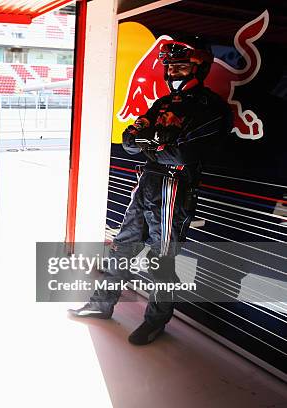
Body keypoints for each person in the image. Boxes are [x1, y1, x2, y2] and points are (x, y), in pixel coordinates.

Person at [69, 37, 232, 345]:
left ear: (200, 67)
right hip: (148, 183)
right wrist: (158, 143)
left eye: (181, 66)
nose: (173, 73)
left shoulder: (212, 109)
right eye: (169, 66)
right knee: (121, 247)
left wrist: (151, 143)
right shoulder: (163, 104)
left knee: (163, 259)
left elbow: (181, 155)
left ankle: (156, 321)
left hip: (175, 188)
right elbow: (129, 140)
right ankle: (101, 304)